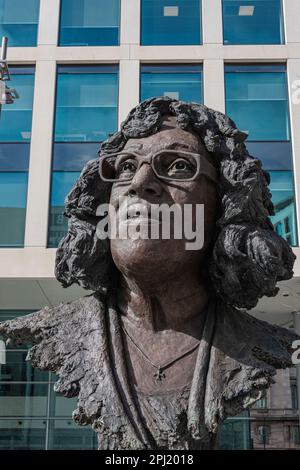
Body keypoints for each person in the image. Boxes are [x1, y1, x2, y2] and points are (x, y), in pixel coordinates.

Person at [0, 97, 298, 450]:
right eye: (126, 166)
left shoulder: (271, 350)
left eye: (176, 166)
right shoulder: (56, 335)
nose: (140, 182)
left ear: (225, 204)